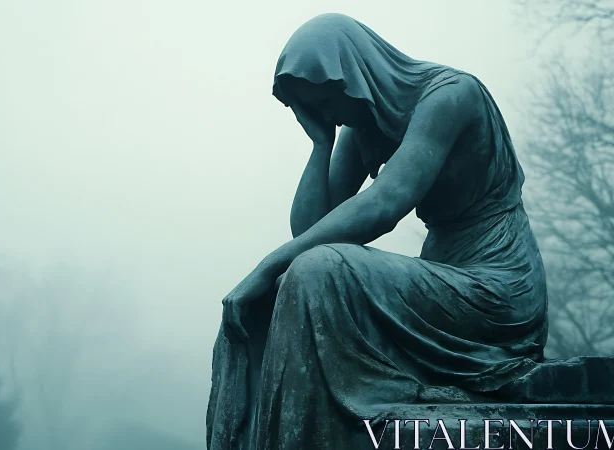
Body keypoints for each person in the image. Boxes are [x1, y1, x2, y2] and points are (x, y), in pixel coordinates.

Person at [206, 13, 548, 450]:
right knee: (270, 294)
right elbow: (311, 228)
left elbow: (386, 203)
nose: (330, 114)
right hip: (445, 272)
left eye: (328, 102)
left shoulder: (452, 96)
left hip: (498, 285)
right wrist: (321, 144)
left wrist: (268, 262)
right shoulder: (361, 128)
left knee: (317, 271)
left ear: (355, 72)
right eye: (318, 109)